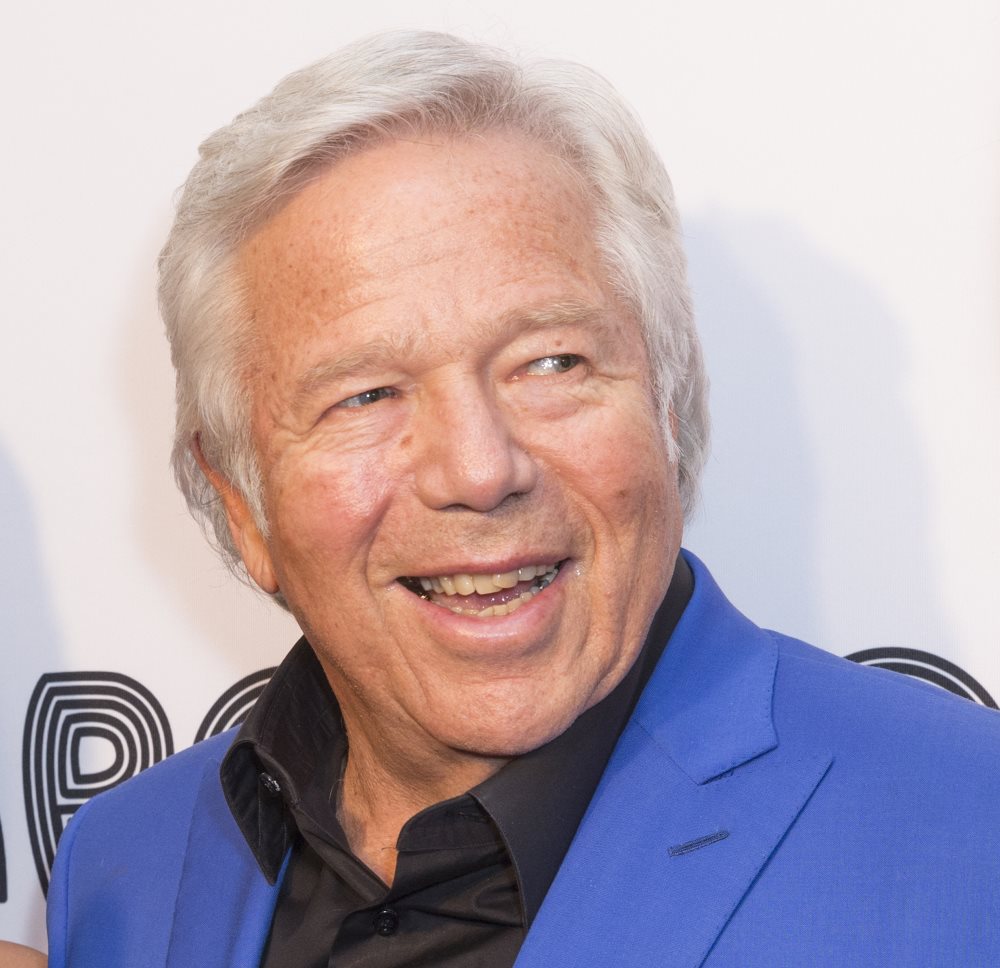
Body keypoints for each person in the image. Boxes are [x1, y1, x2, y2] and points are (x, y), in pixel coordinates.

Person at [46, 31, 1000, 967]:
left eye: (551, 362)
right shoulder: (125, 870)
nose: (478, 469)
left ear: (668, 402)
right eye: (365, 395)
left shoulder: (971, 827)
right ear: (239, 504)